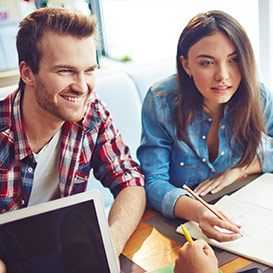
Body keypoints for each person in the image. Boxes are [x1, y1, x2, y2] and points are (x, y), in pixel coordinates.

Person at [0, 6, 146, 266]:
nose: (82, 87)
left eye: (89, 70)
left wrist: (109, 245)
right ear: (27, 73)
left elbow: (129, 181)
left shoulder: (92, 110)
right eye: (65, 71)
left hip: (66, 251)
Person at [137, 10, 273, 242]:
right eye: (207, 63)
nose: (222, 75)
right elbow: (153, 181)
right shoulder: (161, 100)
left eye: (233, 60)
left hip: (244, 214)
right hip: (179, 226)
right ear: (186, 65)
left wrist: (240, 169)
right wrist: (199, 213)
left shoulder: (258, 96)